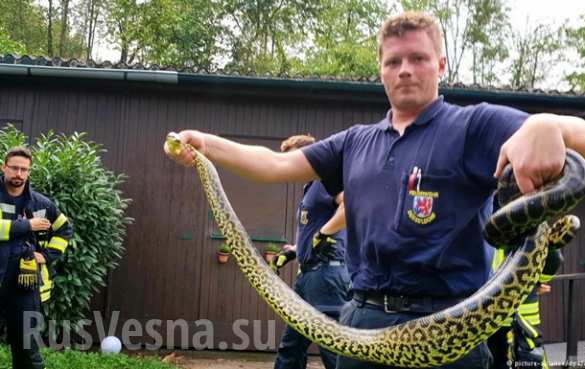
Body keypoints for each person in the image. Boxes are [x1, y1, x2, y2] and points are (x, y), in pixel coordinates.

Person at [165, 12, 585, 369]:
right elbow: (275, 165)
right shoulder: (354, 142)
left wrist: (545, 123)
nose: (405, 69)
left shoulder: (473, 126)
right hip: (361, 322)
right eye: (394, 61)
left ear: (440, 65)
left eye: (418, 58)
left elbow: (573, 136)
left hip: (451, 322)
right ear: (381, 70)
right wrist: (207, 147)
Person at [269, 134, 350, 369]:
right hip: (308, 278)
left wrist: (324, 233)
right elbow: (313, 228)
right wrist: (294, 251)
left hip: (327, 277)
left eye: (293, 158)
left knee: (333, 349)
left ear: (308, 156)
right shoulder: (310, 186)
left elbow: (350, 206)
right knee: (291, 347)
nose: (289, 166)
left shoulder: (328, 180)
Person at [0, 147, 72, 369]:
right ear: (4, 167)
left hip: (25, 284)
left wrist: (47, 255)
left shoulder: (41, 204)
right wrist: (26, 225)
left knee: (26, 347)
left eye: (24, 169)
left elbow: (64, 229)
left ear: (29, 172)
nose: (19, 174)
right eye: (14, 168)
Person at [488, 244, 564, 369]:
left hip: (489, 319)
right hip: (523, 321)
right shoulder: (533, 232)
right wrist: (536, 282)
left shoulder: (486, 231)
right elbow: (554, 259)